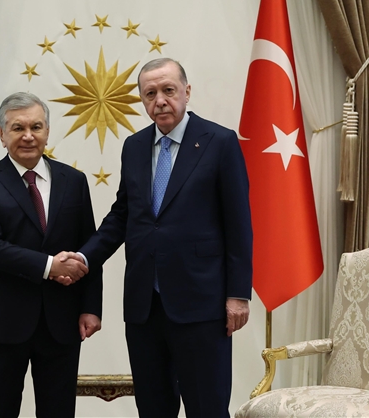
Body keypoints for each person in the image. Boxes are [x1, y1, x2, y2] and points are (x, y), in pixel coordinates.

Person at [75, 58, 253, 417]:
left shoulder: (219, 142)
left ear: (186, 91)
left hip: (201, 304)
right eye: (150, 93)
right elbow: (123, 215)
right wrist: (84, 258)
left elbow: (238, 223)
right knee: (153, 408)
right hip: (145, 306)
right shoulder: (134, 146)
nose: (160, 100)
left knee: (206, 408)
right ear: (143, 99)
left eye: (168, 90)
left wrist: (238, 294)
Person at [0, 92, 102, 418]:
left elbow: (89, 247)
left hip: (62, 321)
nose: (28, 136)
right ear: (2, 134)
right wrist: (50, 266)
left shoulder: (74, 181)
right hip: (3, 322)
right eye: (18, 128)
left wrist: (91, 307)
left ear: (47, 132)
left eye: (36, 127)